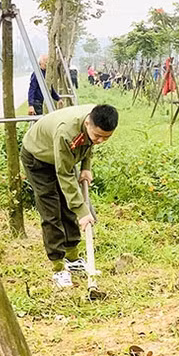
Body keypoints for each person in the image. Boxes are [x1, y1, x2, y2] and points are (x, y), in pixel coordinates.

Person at [20, 104, 118, 288]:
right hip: (38, 158)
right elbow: (64, 174)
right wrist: (83, 211)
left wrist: (86, 167)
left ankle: (73, 259)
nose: (101, 141)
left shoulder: (96, 117)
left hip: (61, 156)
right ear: (87, 122)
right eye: (98, 135)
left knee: (68, 206)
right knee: (51, 210)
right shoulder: (66, 132)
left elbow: (89, 143)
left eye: (107, 137)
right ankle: (58, 268)